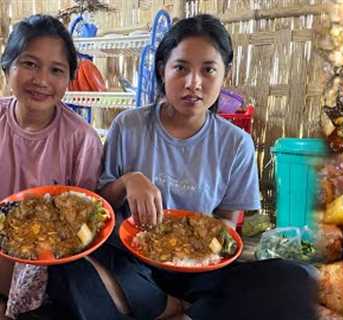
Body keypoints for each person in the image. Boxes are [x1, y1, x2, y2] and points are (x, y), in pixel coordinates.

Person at [46, 14, 319, 320]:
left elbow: (228, 223)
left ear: (224, 75)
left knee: (301, 280)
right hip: (131, 263)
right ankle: (174, 309)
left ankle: (167, 308)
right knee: (67, 268)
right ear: (162, 70)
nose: (194, 83)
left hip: (199, 271)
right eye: (181, 68)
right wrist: (128, 182)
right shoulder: (129, 125)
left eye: (208, 70)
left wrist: (197, 254)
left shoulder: (236, 143)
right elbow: (103, 208)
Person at [0, 15, 103, 319]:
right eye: (29, 64)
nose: (41, 80)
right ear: (8, 67)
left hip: (47, 270)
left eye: (56, 70)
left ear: (70, 78)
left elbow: (82, 226)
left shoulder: (82, 140)